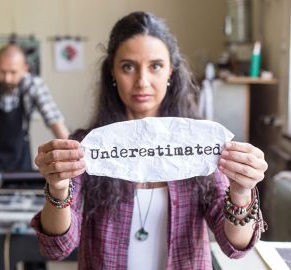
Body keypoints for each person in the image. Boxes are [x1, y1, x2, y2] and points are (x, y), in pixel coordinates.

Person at [31, 12, 268, 269]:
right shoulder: (86, 147)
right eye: (128, 67)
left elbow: (235, 245)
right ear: (112, 71)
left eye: (155, 66)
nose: (142, 82)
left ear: (171, 72)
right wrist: (57, 188)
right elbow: (57, 246)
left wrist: (242, 190)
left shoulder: (201, 144)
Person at [0, 44, 69, 184]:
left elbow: (54, 120)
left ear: (25, 69)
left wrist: (72, 157)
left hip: (21, 163)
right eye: (2, 71)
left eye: (13, 72)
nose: (7, 78)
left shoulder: (34, 84)